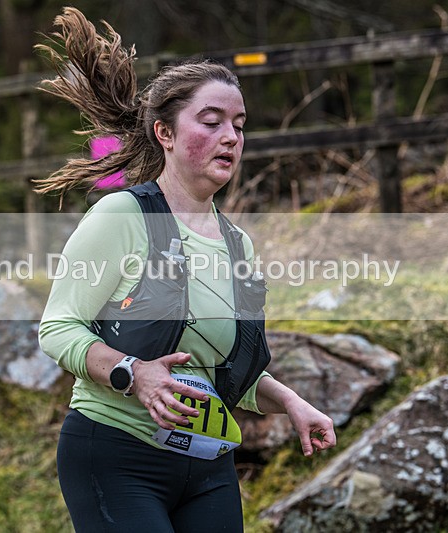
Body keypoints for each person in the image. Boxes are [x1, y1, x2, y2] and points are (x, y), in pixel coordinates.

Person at [35, 8, 336, 532]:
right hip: (116, 454)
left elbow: (226, 366)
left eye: (239, 125)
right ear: (165, 133)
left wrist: (290, 402)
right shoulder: (122, 216)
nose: (231, 137)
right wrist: (134, 373)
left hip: (207, 465)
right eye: (212, 122)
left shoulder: (238, 244)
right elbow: (58, 328)